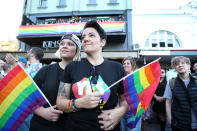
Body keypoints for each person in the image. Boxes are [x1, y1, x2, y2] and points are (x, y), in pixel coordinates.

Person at [56, 20, 128, 131]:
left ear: (102, 42)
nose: (85, 39)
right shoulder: (71, 67)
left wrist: (120, 112)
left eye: (91, 35)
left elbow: (126, 99)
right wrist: (79, 103)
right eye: (83, 36)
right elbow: (60, 102)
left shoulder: (117, 68)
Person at [30, 34, 81, 131]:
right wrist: (41, 111)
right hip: (42, 126)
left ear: (77, 50)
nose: (64, 46)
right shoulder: (46, 71)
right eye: (62, 44)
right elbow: (28, 95)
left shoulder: (82, 72)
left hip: (72, 126)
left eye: (70, 44)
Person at [164, 56, 197, 131]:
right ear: (174, 68)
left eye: (183, 63)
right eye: (177, 64)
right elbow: (168, 102)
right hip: (179, 124)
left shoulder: (195, 81)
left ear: (189, 66)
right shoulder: (172, 82)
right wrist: (170, 120)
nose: (180, 65)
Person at [121, 56, 142, 131]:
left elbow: (140, 94)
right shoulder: (120, 77)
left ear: (132, 66)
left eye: (128, 63)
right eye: (124, 63)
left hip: (133, 111)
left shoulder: (137, 77)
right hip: (121, 111)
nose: (125, 65)